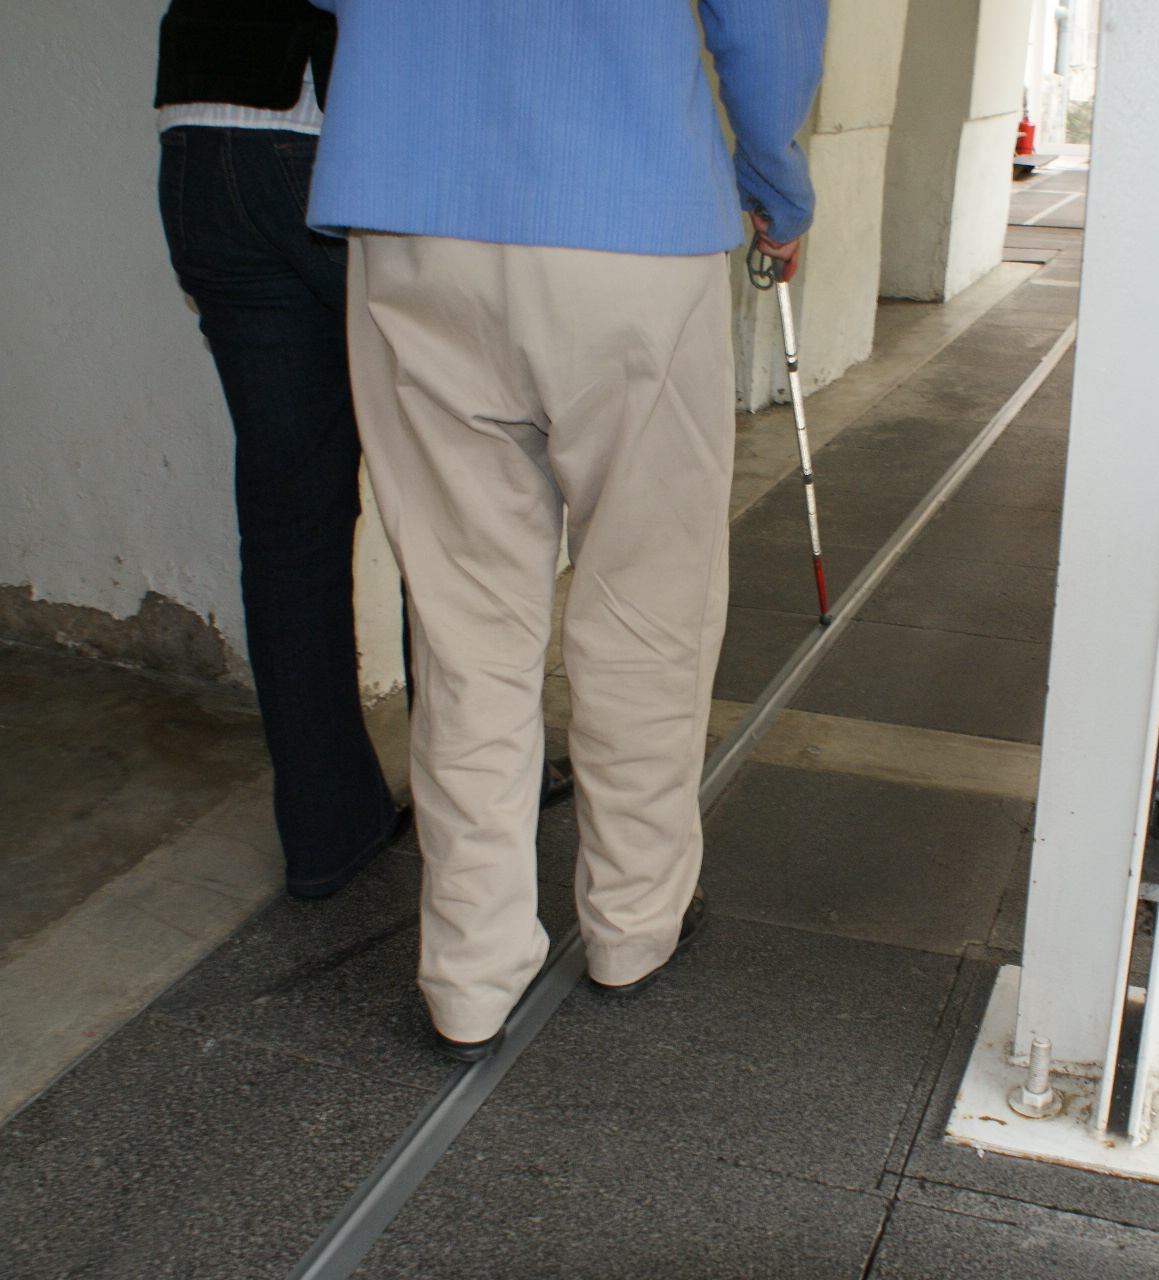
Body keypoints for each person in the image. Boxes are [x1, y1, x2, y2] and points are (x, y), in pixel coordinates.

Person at [308, 1, 826, 1060]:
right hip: (630, 207)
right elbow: (767, 17)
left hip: (411, 209)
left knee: (461, 620)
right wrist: (775, 181)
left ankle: (467, 971)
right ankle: (633, 922)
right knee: (648, 595)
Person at [151, 0, 572, 900]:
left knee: (287, 516)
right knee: (453, 488)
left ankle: (325, 832)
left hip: (197, 142)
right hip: (340, 142)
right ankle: (481, 780)